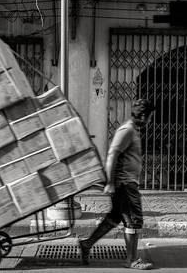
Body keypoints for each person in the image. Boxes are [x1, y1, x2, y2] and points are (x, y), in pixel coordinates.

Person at [78, 99, 154, 270]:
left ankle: (87, 244)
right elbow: (112, 155)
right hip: (124, 184)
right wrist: (111, 183)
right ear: (143, 116)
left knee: (115, 217)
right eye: (149, 116)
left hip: (126, 182)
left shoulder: (132, 130)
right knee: (134, 220)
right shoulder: (126, 130)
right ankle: (132, 259)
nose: (150, 120)